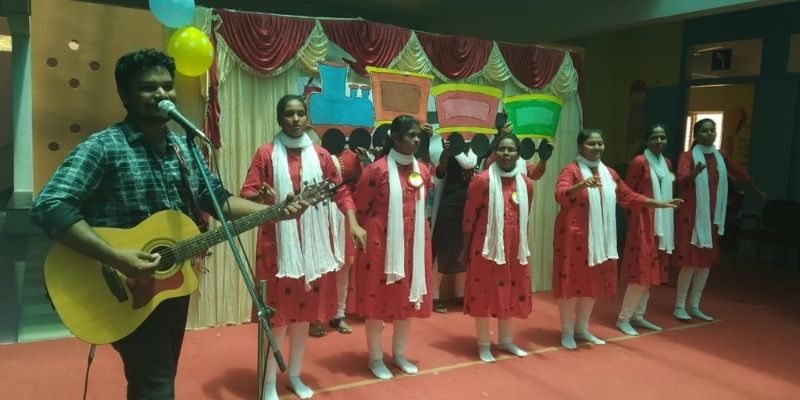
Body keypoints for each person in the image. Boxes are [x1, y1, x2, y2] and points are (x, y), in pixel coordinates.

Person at [29, 49, 308, 400]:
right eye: (148, 87)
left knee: (157, 379)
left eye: (167, 86)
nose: (161, 94)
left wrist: (274, 211)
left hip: (171, 285)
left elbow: (216, 199)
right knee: (156, 385)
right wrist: (115, 257)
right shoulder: (103, 147)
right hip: (120, 287)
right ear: (125, 96)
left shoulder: (184, 147)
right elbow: (49, 205)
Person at [240, 94, 366, 400]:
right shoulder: (266, 154)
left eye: (300, 113)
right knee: (277, 318)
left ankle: (294, 375)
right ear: (279, 119)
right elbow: (246, 195)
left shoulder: (321, 155)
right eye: (289, 114)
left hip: (313, 248)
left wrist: (353, 222)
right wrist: (262, 196)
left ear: (307, 118)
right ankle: (268, 382)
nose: (295, 119)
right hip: (277, 247)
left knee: (303, 317)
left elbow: (340, 191)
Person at [552, 129, 681, 350]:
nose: (597, 147)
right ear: (580, 147)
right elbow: (560, 194)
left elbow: (628, 196)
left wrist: (660, 204)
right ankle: (567, 331)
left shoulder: (609, 173)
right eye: (591, 144)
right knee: (572, 284)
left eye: (600, 143)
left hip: (600, 241)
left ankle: (582, 329)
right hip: (573, 238)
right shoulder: (571, 170)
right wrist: (581, 185)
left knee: (591, 283)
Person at [352, 115, 432, 380]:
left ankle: (399, 354)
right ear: (396, 138)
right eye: (411, 135)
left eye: (418, 135)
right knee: (376, 300)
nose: (417, 139)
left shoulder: (423, 170)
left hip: (414, 244)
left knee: (406, 298)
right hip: (380, 244)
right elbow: (359, 208)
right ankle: (375, 358)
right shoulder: (376, 170)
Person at [672, 118, 765, 322]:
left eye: (712, 130)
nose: (709, 134)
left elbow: (739, 172)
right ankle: (679, 306)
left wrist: (755, 189)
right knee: (690, 262)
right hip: (691, 216)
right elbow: (682, 180)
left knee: (705, 263)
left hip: (712, 217)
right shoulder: (687, 156)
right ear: (696, 135)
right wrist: (695, 173)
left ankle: (694, 305)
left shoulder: (720, 155)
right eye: (704, 131)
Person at [459, 134, 533, 362]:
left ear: (518, 154)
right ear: (493, 152)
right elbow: (469, 219)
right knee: (484, 292)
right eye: (501, 149)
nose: (506, 154)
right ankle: (483, 344)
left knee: (509, 291)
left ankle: (506, 340)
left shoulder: (526, 184)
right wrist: (465, 250)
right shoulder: (482, 181)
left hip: (514, 247)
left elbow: (525, 217)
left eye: (511, 150)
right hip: (485, 246)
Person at [617, 124, 675, 336]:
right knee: (640, 272)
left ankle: (639, 315)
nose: (659, 141)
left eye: (662, 137)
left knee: (652, 272)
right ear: (646, 141)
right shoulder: (639, 162)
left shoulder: (666, 163)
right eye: (655, 138)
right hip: (642, 220)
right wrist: (634, 218)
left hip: (662, 221)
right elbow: (626, 193)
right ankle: (624, 318)